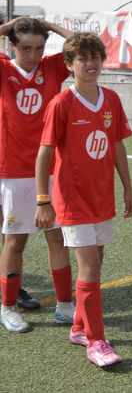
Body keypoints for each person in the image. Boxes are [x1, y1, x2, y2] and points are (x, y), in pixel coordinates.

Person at [34, 33, 132, 367]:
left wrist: (127, 188)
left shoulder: (111, 100)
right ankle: (96, 341)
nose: (91, 64)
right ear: (69, 65)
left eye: (95, 57)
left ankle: (79, 327)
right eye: (82, 59)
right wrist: (43, 200)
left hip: (101, 196)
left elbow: (117, 145)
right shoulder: (61, 103)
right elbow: (44, 153)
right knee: (90, 266)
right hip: (72, 199)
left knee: (96, 263)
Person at [0, 17, 76, 333]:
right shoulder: (4, 69)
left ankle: (65, 305)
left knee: (57, 236)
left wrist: (50, 26)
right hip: (14, 170)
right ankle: (7, 307)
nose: (33, 55)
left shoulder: (52, 68)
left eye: (39, 48)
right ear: (12, 47)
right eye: (26, 48)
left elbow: (81, 44)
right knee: (15, 240)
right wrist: (9, 26)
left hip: (51, 168)